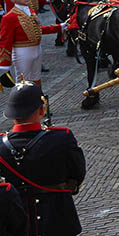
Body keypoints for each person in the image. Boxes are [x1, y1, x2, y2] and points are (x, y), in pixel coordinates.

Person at [0, 81, 85, 236]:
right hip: (58, 218)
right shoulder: (61, 137)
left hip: (18, 223)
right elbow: (77, 173)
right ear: (41, 110)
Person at [0, 0, 65, 87]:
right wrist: (4, 63)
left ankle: (37, 99)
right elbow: (5, 40)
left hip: (37, 48)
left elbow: (38, 29)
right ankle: (23, 101)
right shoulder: (9, 17)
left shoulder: (30, 11)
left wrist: (60, 27)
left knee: (36, 77)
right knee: (23, 79)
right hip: (22, 50)